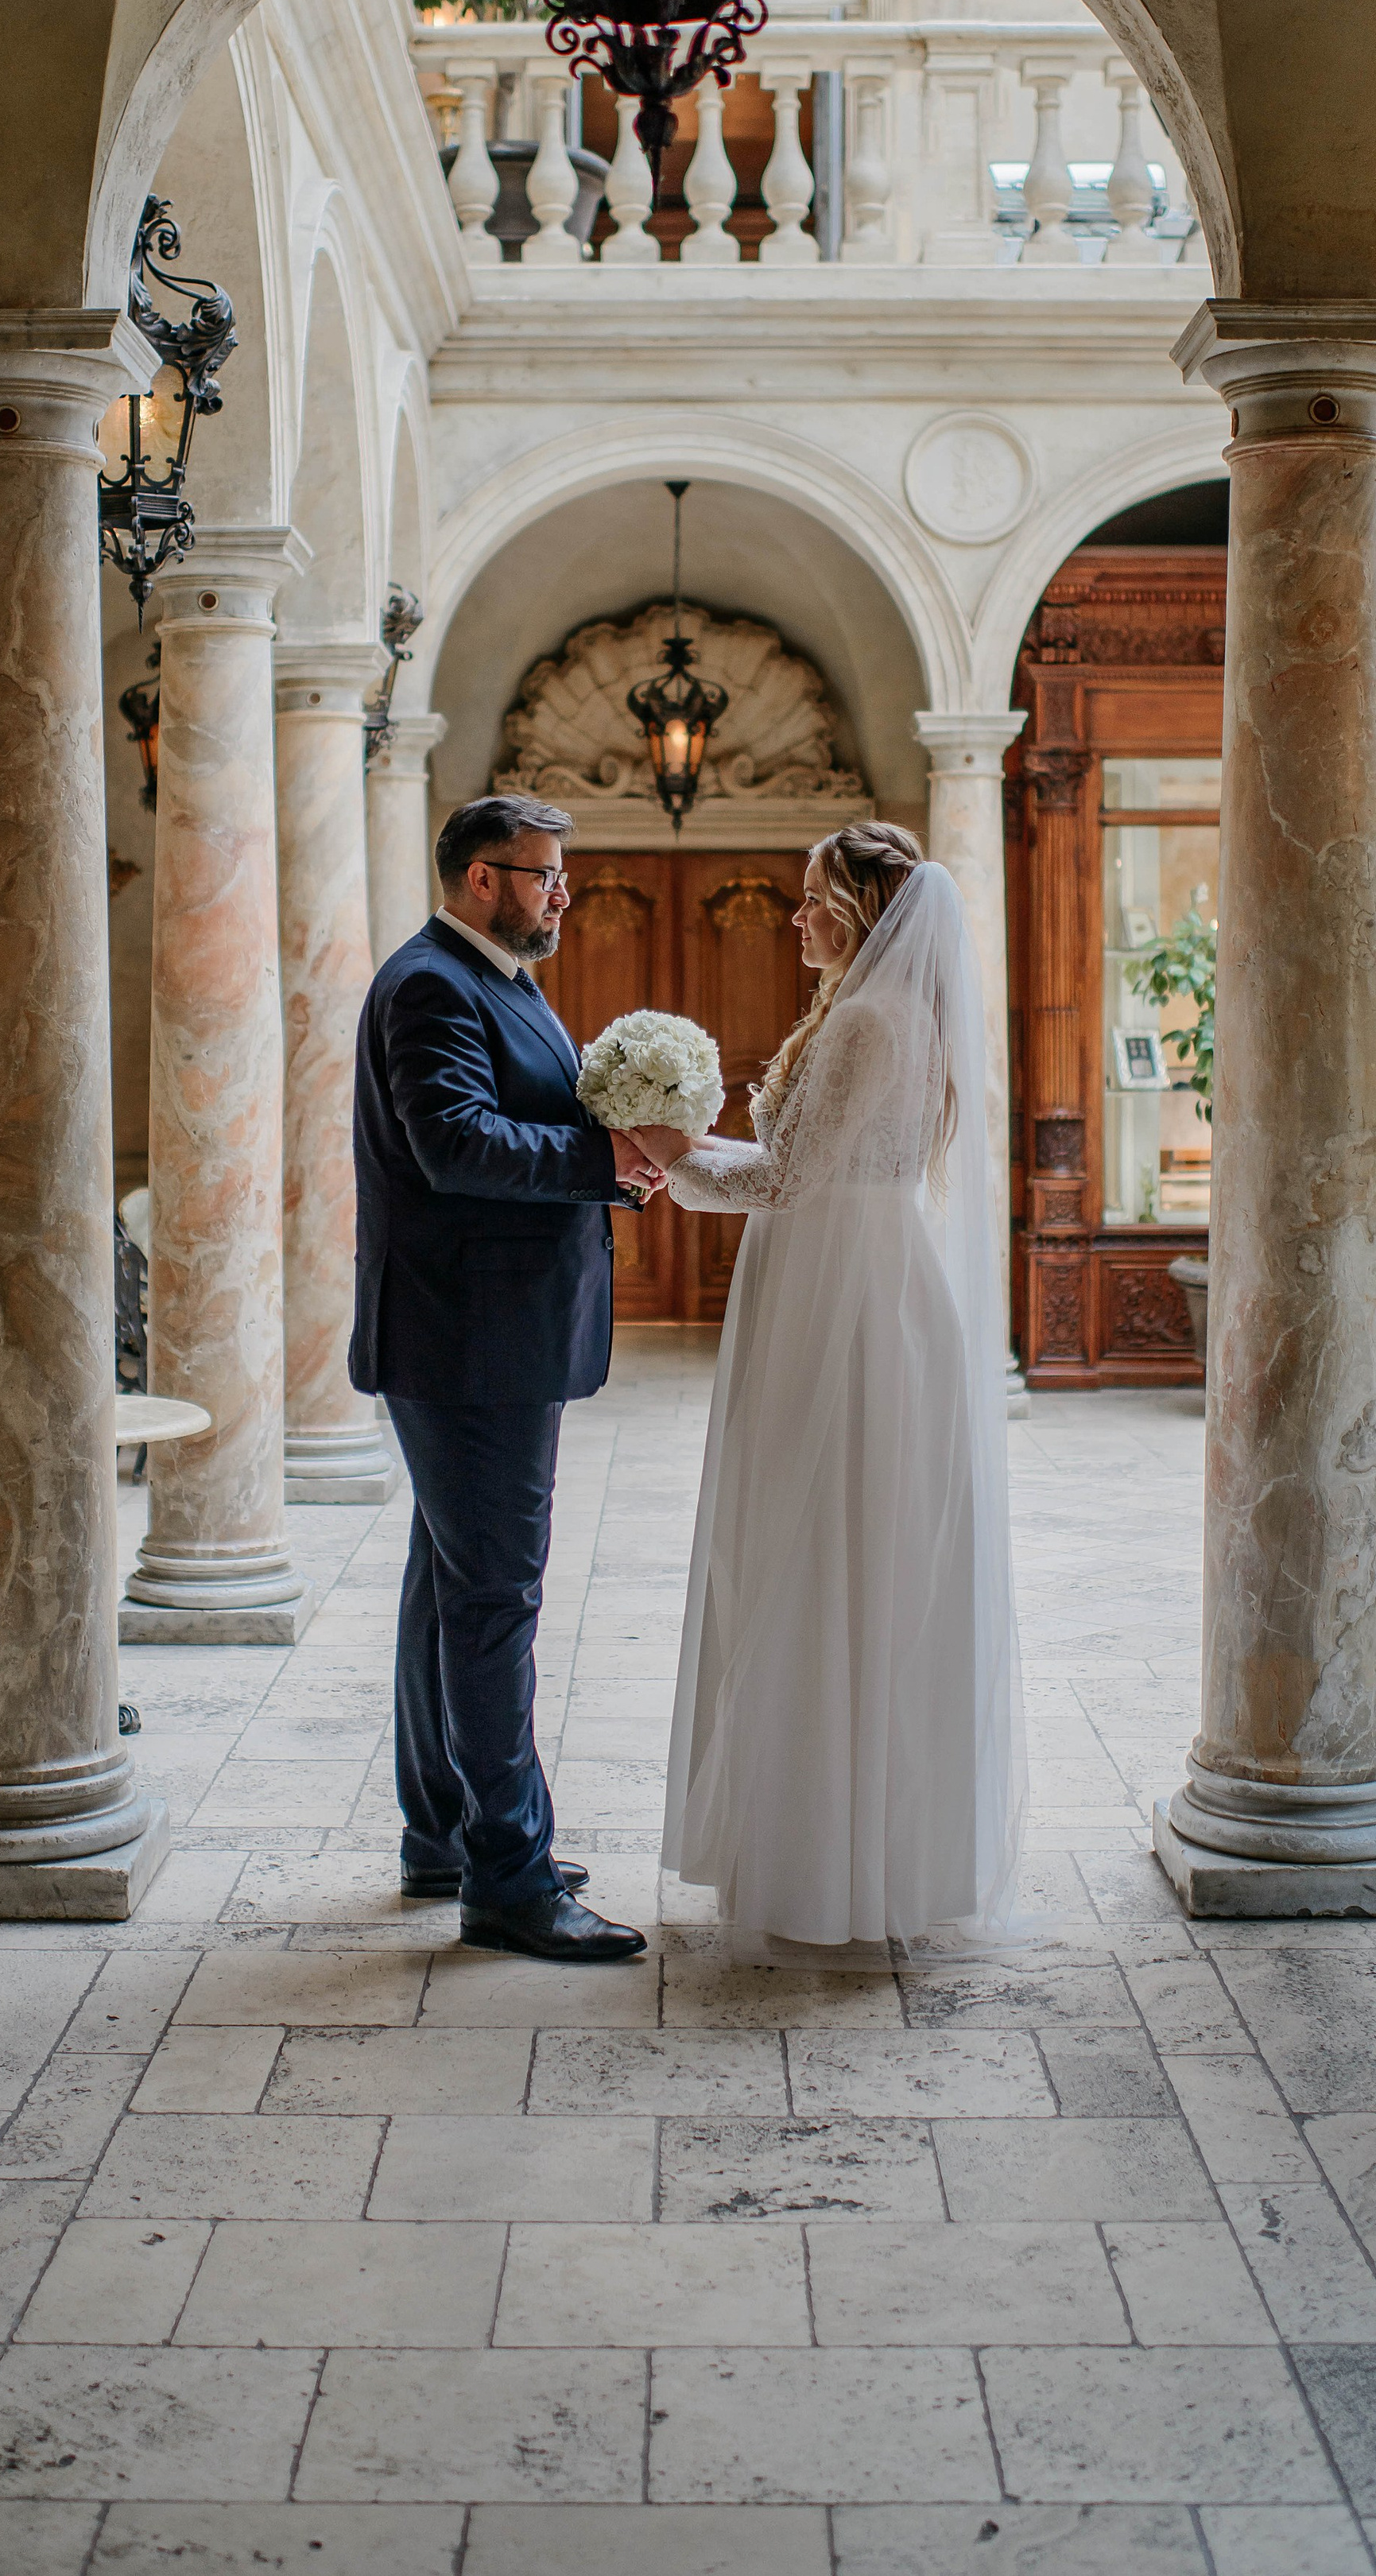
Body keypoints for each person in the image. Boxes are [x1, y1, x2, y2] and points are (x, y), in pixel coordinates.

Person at [630, 822, 1025, 1949]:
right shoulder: (884, 1012)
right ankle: (851, 1847)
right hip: (847, 1275)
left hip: (842, 1298)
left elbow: (788, 1179)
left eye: (812, 899)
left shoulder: (866, 1020)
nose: (796, 916)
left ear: (859, 910)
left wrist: (666, 1151)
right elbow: (810, 1170)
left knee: (821, 1541)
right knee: (845, 1543)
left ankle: (826, 1859)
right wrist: (677, 1153)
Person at [351, 792, 663, 1962]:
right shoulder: (432, 985)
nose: (563, 892)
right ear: (481, 878)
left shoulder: (497, 980)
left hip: (482, 1334)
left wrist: (613, 1160)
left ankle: (443, 1833)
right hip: (469, 1343)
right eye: (544, 874)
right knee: (493, 1601)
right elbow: (457, 1143)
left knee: (448, 1585)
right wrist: (601, 1157)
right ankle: (510, 1879)